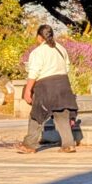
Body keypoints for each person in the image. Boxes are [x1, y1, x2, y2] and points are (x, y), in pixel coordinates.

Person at [17, 24, 78, 154]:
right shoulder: (61, 49)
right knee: (62, 114)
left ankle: (29, 145)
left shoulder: (38, 52)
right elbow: (67, 68)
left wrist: (28, 90)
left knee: (37, 115)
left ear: (39, 37)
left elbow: (33, 73)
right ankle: (68, 144)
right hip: (63, 84)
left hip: (46, 86)